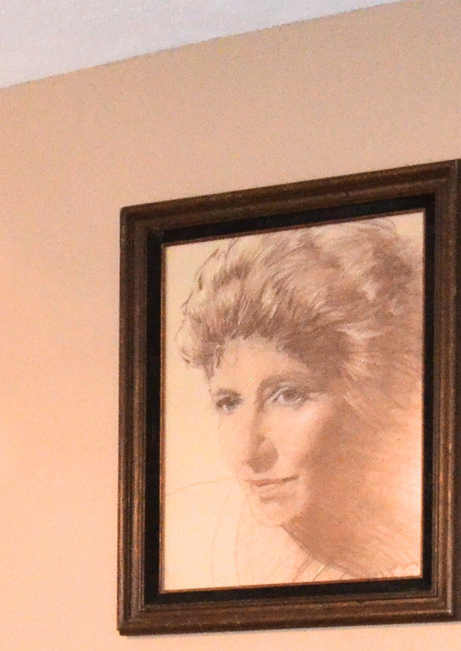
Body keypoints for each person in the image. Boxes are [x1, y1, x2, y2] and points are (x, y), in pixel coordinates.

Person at [164, 219, 425, 587]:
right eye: (228, 402)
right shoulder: (187, 533)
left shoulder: (412, 564)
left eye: (288, 396)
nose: (247, 451)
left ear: (370, 395)